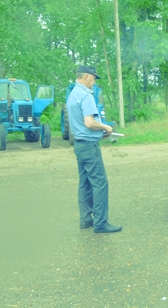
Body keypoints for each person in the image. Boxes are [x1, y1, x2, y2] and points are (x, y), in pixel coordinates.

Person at [67, 65, 122, 233]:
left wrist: (99, 132)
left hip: (79, 144)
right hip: (90, 147)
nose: (94, 81)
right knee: (100, 184)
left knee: (85, 183)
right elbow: (89, 122)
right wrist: (106, 128)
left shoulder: (72, 95)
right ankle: (100, 223)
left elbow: (82, 125)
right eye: (93, 77)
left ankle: (86, 220)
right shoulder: (85, 95)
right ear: (85, 77)